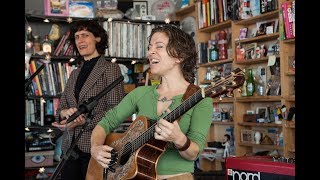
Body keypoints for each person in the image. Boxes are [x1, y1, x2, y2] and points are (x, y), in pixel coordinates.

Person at [90, 25, 213, 180]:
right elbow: (105, 123)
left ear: (179, 56)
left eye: (159, 46)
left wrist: (178, 138)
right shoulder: (140, 93)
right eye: (150, 47)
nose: (150, 52)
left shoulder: (200, 99)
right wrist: (95, 148)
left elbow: (193, 154)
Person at [51, 19, 125, 180]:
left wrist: (84, 121)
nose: (80, 41)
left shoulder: (110, 69)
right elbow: (60, 108)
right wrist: (65, 113)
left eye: (85, 35)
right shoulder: (74, 73)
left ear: (97, 38)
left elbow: (116, 110)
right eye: (77, 37)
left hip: (94, 147)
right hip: (69, 147)